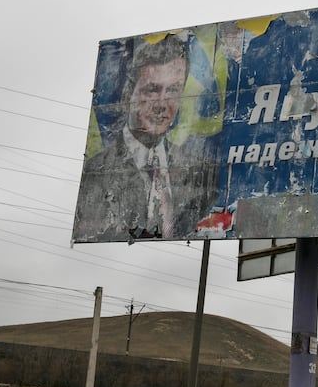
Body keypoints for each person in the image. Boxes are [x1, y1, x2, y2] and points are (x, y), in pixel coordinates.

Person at [74, 34, 219, 243]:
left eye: (173, 90)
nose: (162, 103)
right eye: (152, 89)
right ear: (128, 94)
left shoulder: (200, 170)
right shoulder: (96, 173)